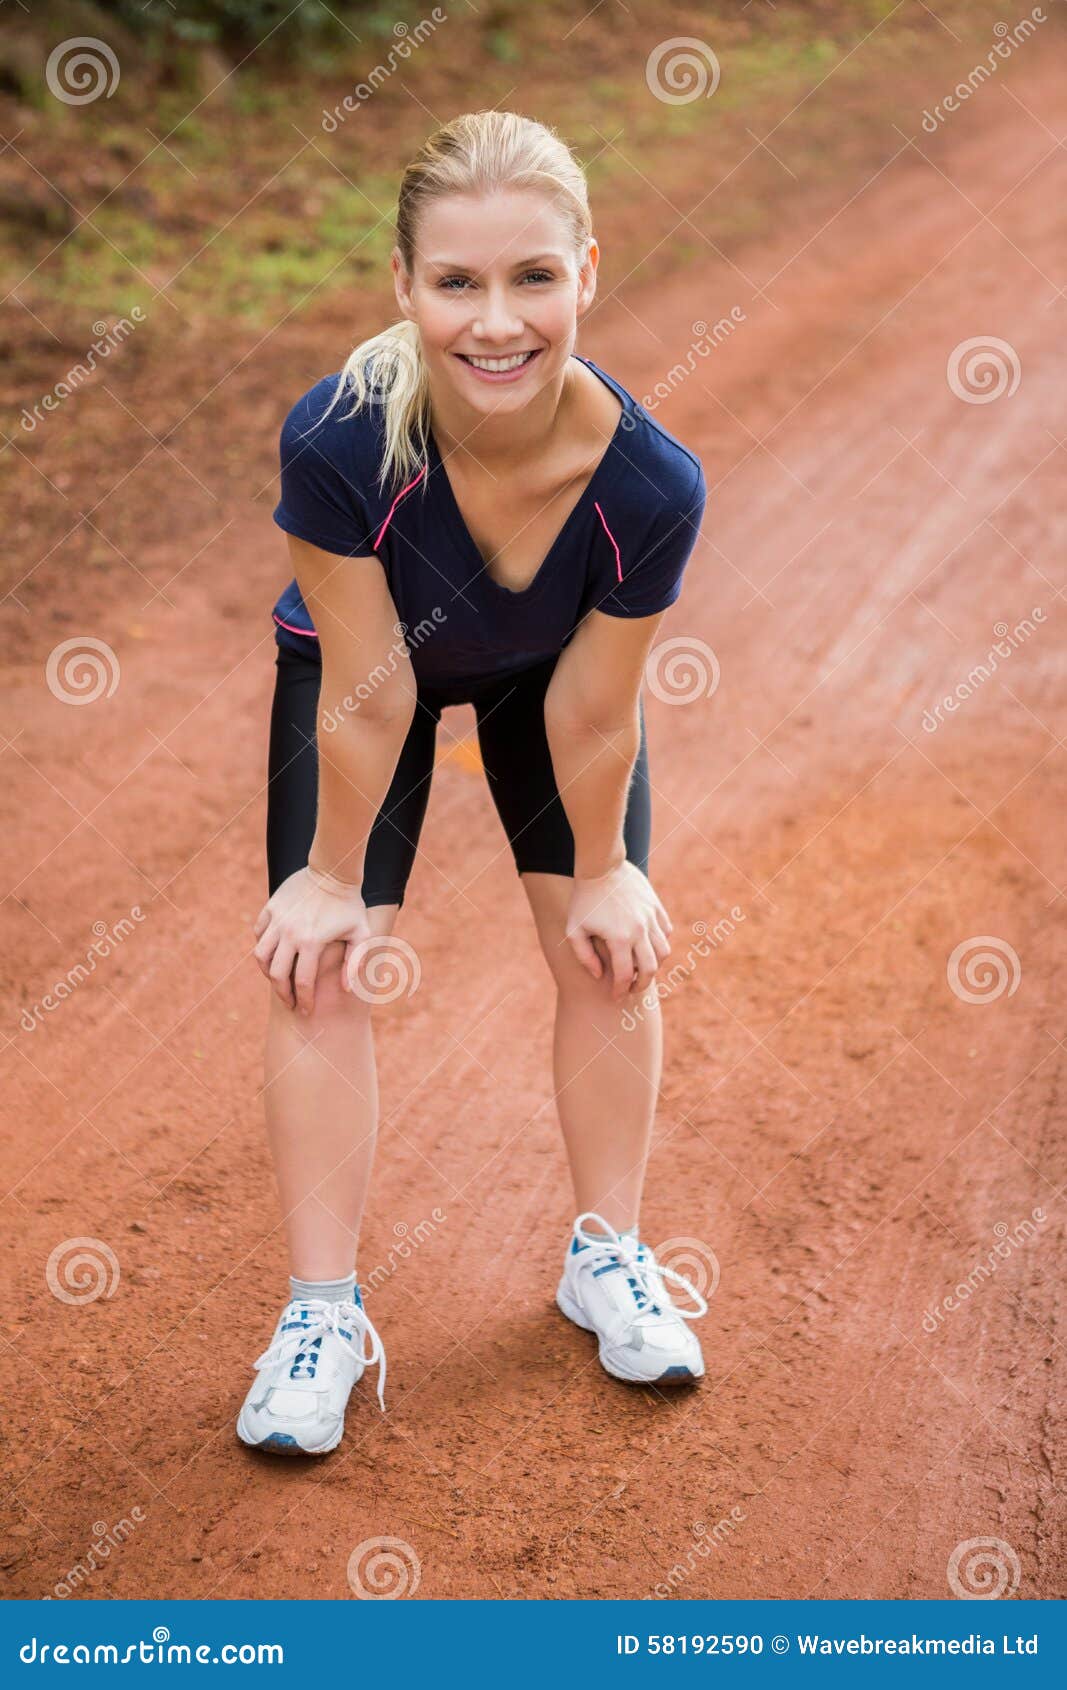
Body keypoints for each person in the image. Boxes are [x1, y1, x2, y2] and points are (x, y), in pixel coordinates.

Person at [238, 110, 710, 1457]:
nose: (496, 322)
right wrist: (331, 883)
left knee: (610, 949)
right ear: (403, 287)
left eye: (532, 278)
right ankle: (320, 1312)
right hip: (361, 671)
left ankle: (605, 1255)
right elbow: (372, 689)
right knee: (317, 964)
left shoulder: (651, 482)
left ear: (589, 273)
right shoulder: (338, 439)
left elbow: (598, 699)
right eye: (456, 282)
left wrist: (609, 869)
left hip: (544, 675)